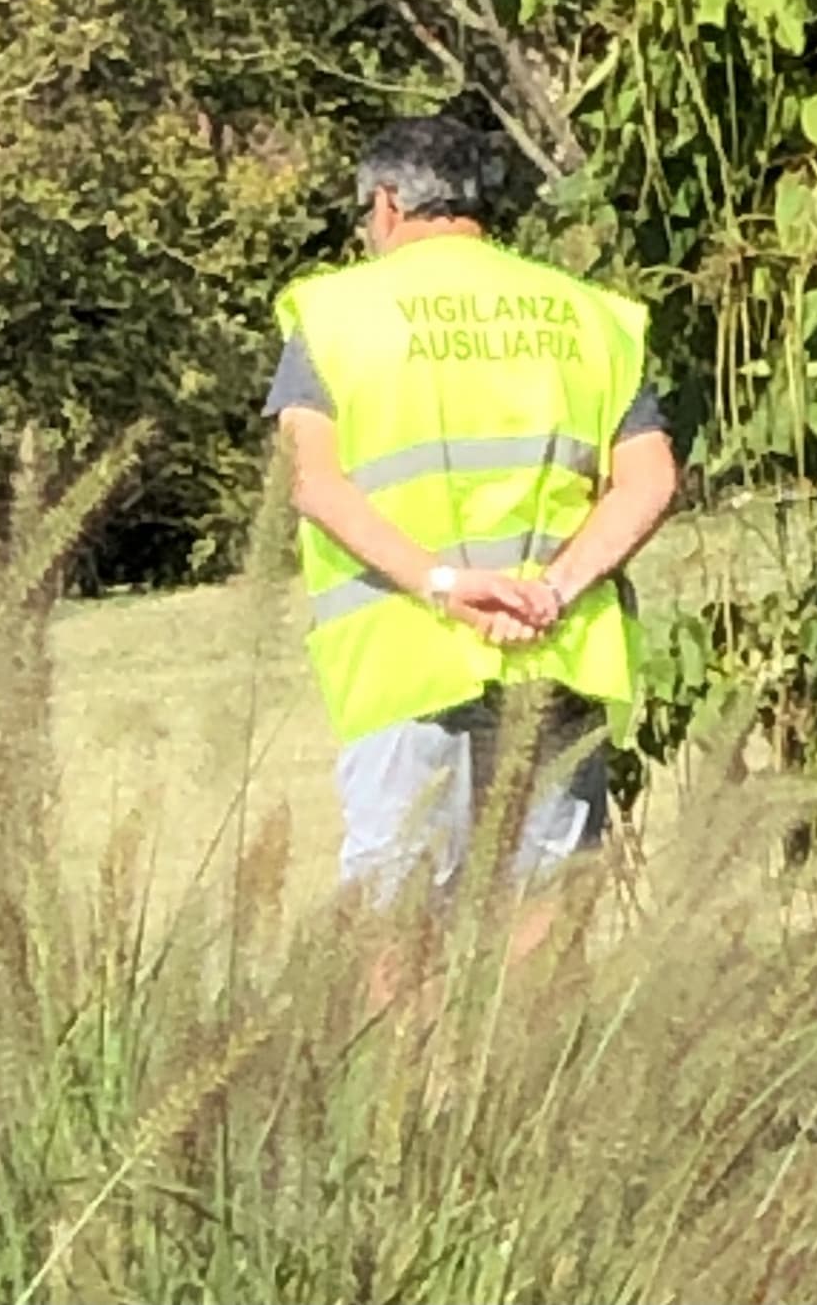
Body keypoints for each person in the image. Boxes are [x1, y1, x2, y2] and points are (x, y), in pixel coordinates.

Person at [263, 116, 677, 954]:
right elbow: (651, 480)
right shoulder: (590, 316)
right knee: (543, 910)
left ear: (384, 204)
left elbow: (313, 482)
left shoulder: (335, 314)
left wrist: (447, 587)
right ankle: (532, 1089)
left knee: (396, 913)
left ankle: (407, 1089)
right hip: (557, 649)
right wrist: (553, 591)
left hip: (405, 658)